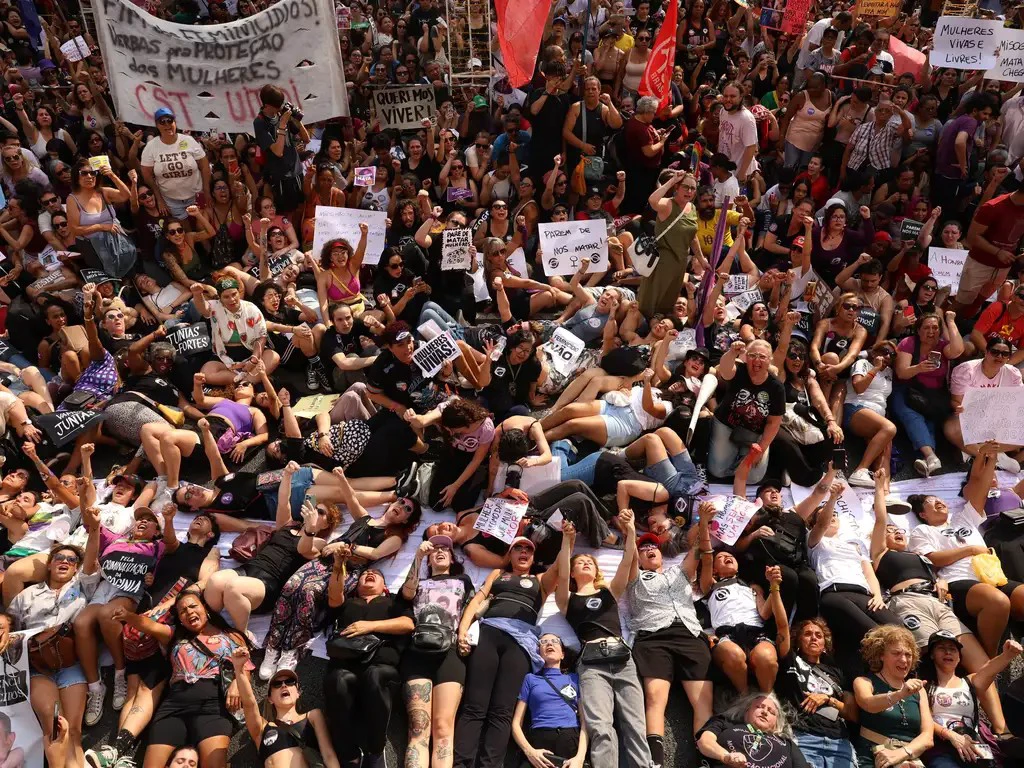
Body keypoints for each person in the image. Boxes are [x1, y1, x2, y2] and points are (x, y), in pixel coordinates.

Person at [111, 590, 253, 768]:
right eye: (183, 611)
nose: (189, 612)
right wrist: (128, 616)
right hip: (173, 707)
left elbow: (246, 664)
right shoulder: (174, 635)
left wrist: (237, 684)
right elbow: (148, 625)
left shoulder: (231, 635)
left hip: (213, 707)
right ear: (180, 619)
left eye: (193, 606)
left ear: (205, 608)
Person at [555, 511, 650, 768]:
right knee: (601, 727)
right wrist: (567, 541)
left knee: (635, 725)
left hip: (622, 658)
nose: (586, 563)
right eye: (580, 562)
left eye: (590, 561)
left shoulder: (609, 591)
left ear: (597, 569)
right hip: (591, 664)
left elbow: (627, 561)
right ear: (573, 571)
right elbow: (561, 574)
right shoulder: (566, 599)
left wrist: (631, 530)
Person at [454, 537, 559, 768]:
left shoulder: (540, 580)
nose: (523, 552)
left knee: (502, 710)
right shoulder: (498, 574)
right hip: (489, 633)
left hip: (521, 642)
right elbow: (476, 602)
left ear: (533, 557)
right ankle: (460, 764)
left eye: (528, 549)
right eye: (517, 548)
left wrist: (568, 539)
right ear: (509, 555)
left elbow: (560, 567)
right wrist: (462, 631)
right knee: (474, 705)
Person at [6, 543, 94, 768]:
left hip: (70, 665)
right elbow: (12, 628)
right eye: (59, 558)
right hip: (37, 667)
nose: (65, 562)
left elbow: (92, 560)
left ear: (76, 568)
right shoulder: (27, 595)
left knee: (73, 731)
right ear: (49, 565)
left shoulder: (83, 588)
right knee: (55, 726)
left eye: (72, 560)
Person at [323, 564, 414, 768]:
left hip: (381, 666)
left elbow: (408, 624)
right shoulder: (347, 602)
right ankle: (349, 754)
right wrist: (337, 566)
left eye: (376, 574)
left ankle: (376, 749)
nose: (370, 573)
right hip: (346, 665)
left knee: (375, 675)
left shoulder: (393, 603)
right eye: (364, 573)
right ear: (357, 586)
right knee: (338, 679)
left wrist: (370, 626)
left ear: (385, 587)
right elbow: (334, 594)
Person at [399, 535, 475, 768]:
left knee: (443, 728)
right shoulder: (419, 581)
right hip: (417, 651)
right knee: (418, 728)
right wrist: (418, 557)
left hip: (449, 652)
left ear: (452, 558)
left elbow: (476, 607)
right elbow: (407, 593)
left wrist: (465, 634)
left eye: (446, 549)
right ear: (429, 558)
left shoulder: (463, 581)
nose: (440, 551)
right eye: (435, 549)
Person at [921, 633, 1022, 768]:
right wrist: (951, 736)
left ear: (959, 657)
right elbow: (924, 719)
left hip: (973, 745)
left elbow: (989, 669)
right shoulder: (924, 686)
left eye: (952, 649)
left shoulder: (970, 681)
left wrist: (1008, 654)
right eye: (941, 648)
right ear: (932, 655)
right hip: (941, 747)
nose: (948, 652)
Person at [229, 650, 341, 768]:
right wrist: (239, 669)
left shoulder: (313, 716)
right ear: (270, 698)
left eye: (290, 682)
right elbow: (249, 704)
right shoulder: (262, 728)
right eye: (277, 684)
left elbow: (328, 755)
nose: (284, 685)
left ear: (298, 693)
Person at [774, 617, 857, 768]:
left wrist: (827, 699)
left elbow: (852, 714)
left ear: (825, 644)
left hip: (839, 743)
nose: (813, 638)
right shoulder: (791, 662)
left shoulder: (837, 673)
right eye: (807, 634)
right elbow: (782, 626)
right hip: (803, 738)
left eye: (819, 635)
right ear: (798, 641)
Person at [892, 312, 964, 477]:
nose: (931, 331)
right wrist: (919, 368)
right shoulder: (909, 343)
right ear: (918, 330)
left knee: (929, 419)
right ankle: (930, 456)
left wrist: (950, 321)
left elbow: (958, 350)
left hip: (933, 395)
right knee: (912, 416)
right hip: (907, 390)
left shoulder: (943, 346)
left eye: (935, 328)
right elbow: (902, 373)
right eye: (926, 328)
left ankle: (927, 459)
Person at [852, 626, 934, 768]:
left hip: (908, 759)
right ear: (881, 655)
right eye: (896, 653)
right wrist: (900, 694)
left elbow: (928, 737)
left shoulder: (920, 691)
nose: (904, 660)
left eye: (908, 655)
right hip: (872, 758)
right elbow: (868, 704)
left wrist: (902, 753)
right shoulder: (864, 682)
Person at [709, 339, 785, 483]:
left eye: (762, 357)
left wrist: (761, 449)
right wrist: (732, 352)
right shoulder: (739, 371)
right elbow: (725, 370)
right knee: (717, 471)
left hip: (755, 433)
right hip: (727, 424)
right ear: (746, 357)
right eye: (752, 355)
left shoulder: (777, 387)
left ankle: (738, 460)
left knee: (752, 478)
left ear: (770, 360)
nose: (757, 360)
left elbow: (774, 423)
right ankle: (734, 459)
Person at [696, 692, 810, 768]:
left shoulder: (787, 744)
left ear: (776, 723)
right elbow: (705, 742)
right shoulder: (725, 723)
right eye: (759, 707)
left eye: (771, 712)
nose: (764, 712)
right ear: (746, 711)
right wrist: (726, 756)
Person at [141, 107, 211, 220]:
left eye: (170, 120)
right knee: (182, 228)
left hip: (196, 196)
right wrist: (159, 199)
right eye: (162, 122)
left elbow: (204, 166)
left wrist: (206, 191)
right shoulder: (151, 147)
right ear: (157, 125)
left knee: (202, 225)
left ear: (175, 122)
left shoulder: (188, 140)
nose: (167, 124)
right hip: (170, 200)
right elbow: (147, 175)